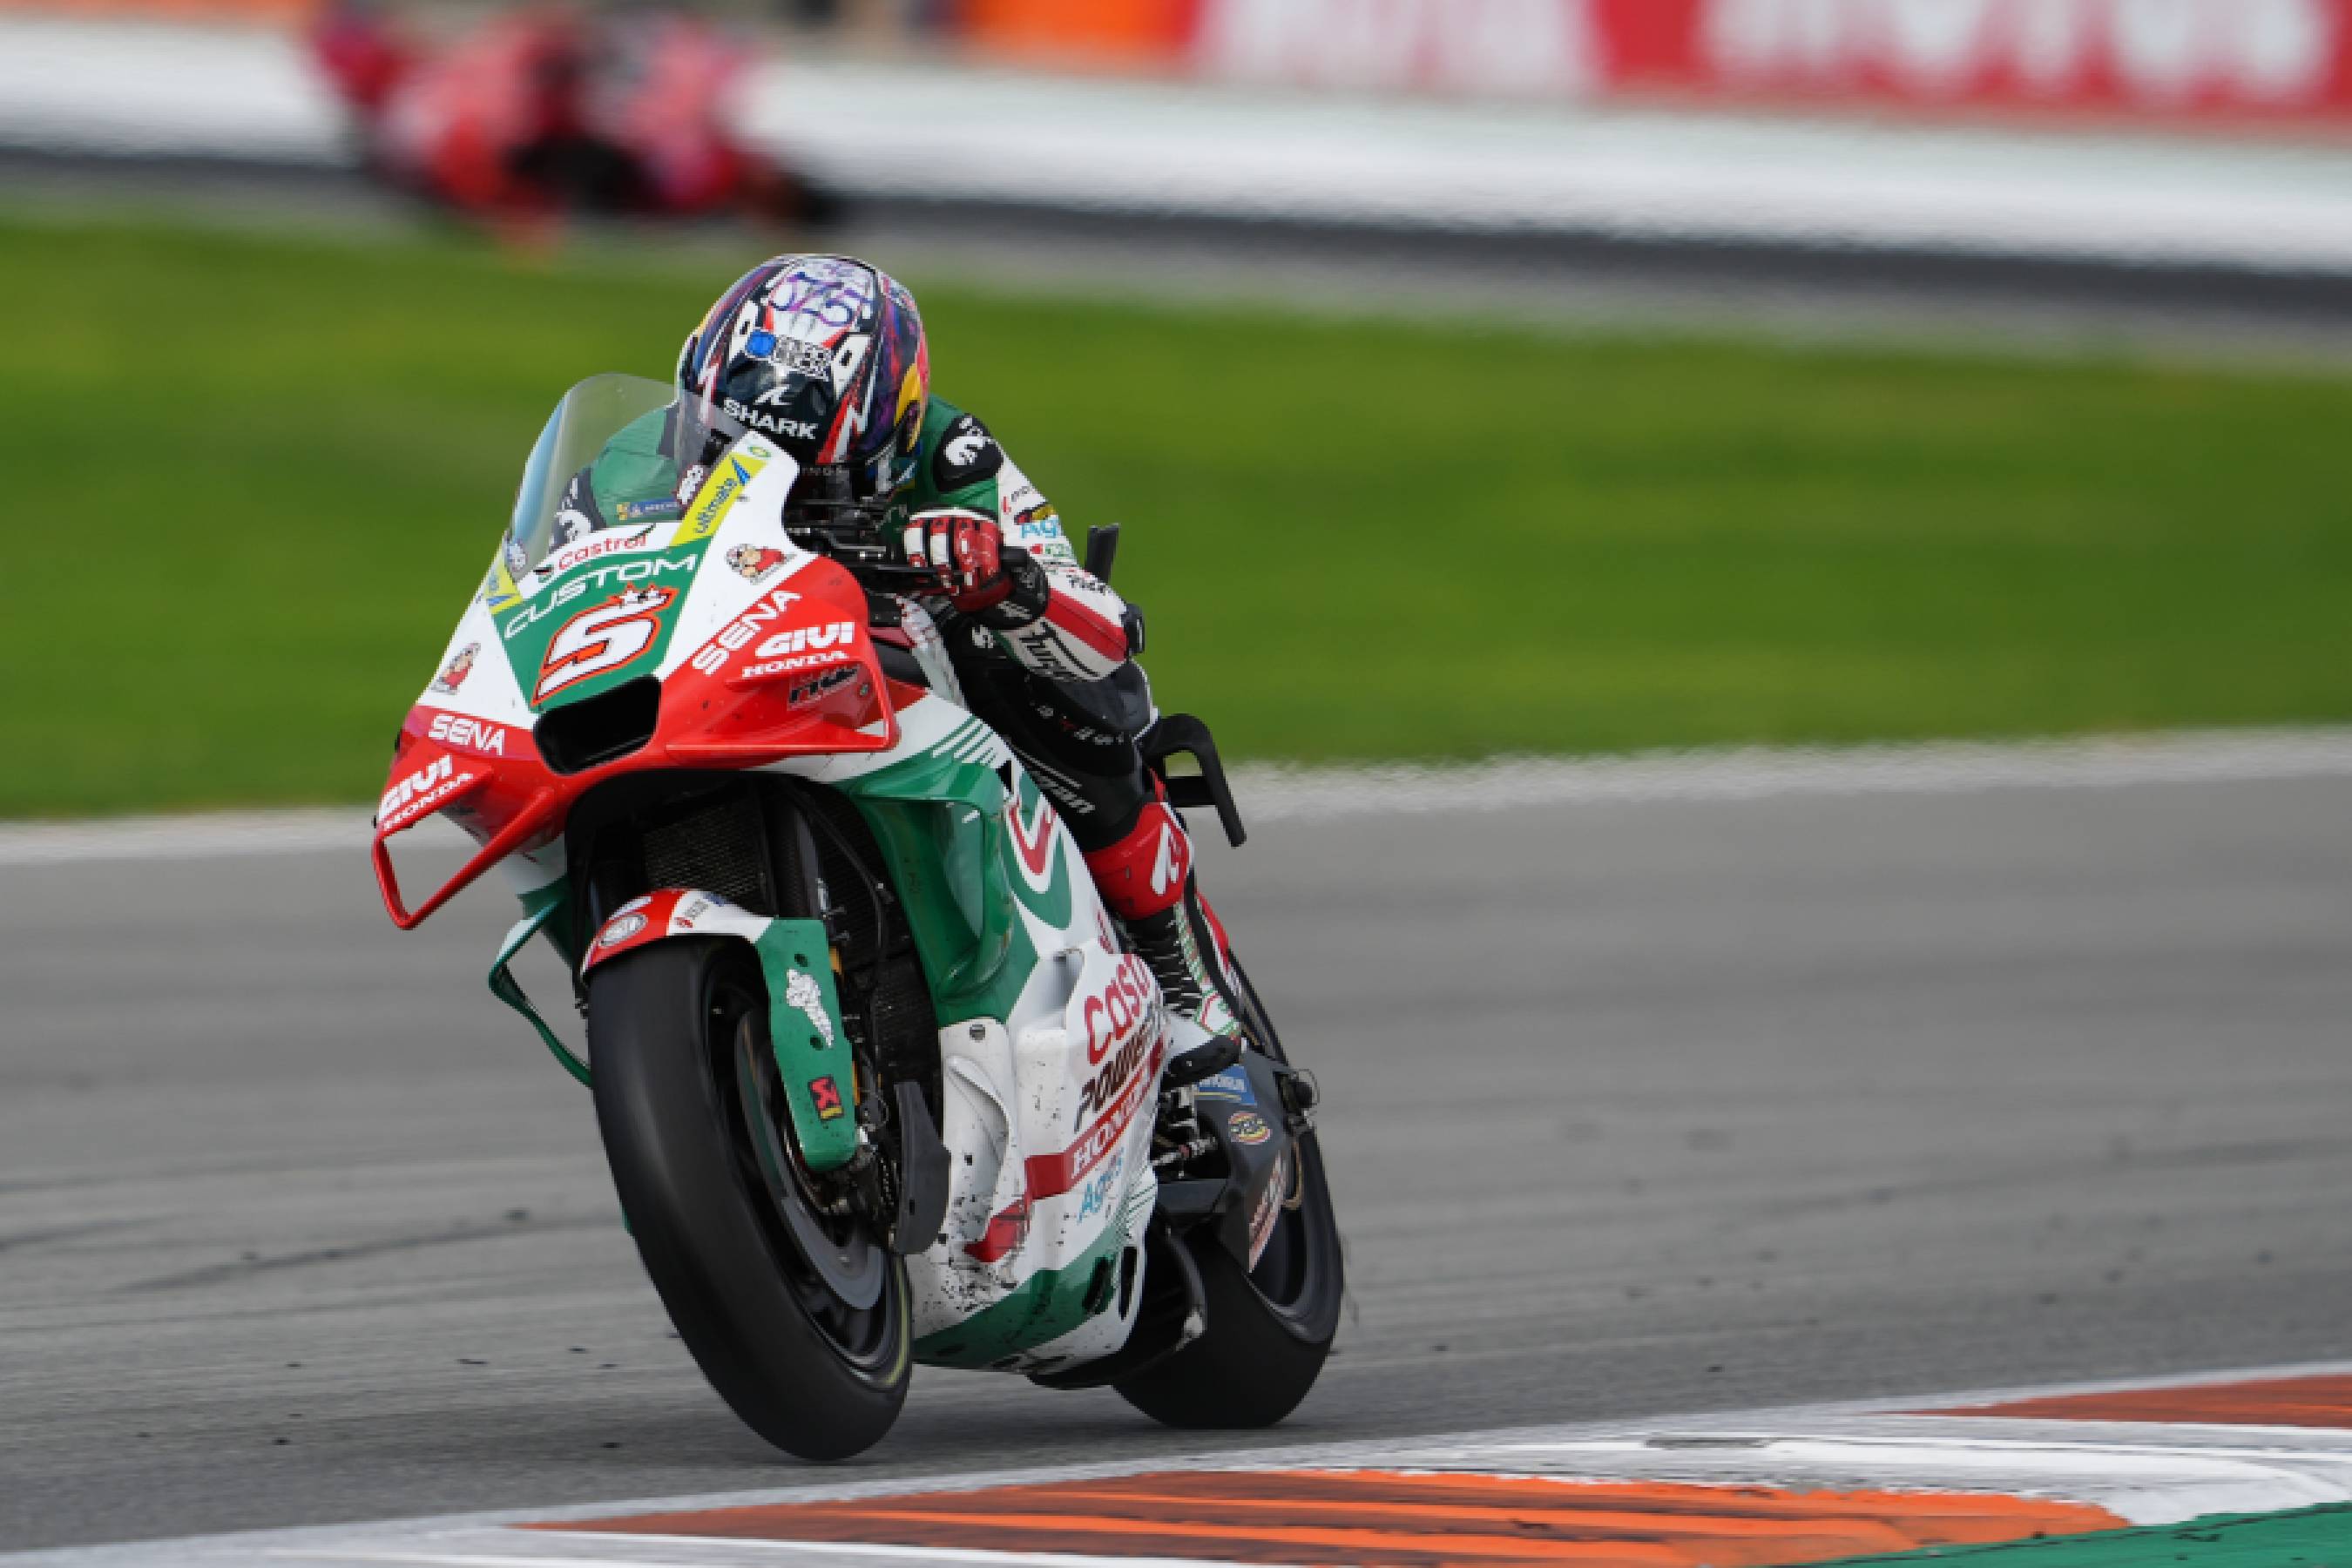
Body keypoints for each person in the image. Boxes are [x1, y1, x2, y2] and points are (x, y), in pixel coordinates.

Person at [559, 254, 1247, 1045]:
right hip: (720, 676)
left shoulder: (952, 456)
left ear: (897, 429)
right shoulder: (619, 470)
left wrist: (1005, 578)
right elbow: (557, 592)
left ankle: (1178, 967)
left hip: (903, 674)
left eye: (813, 481)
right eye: (734, 446)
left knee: (1040, 674)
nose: (773, 488)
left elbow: (1108, 630)